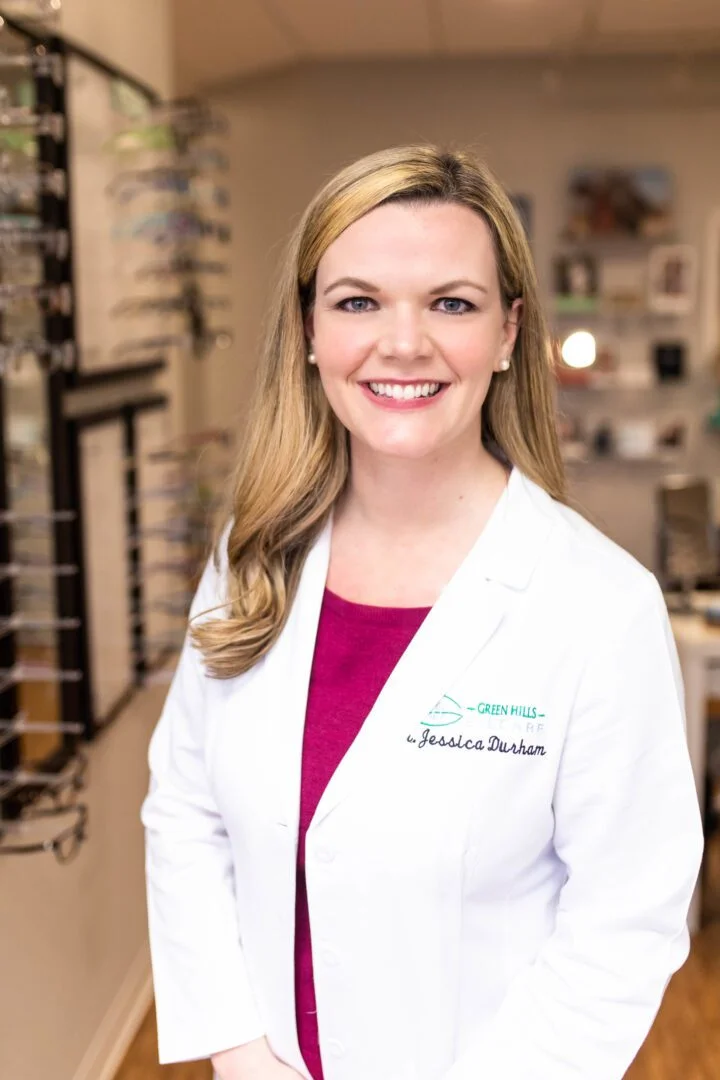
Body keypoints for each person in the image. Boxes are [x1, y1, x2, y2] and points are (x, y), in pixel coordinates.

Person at [141, 145, 704, 1080]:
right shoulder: (253, 551)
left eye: (451, 303)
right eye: (358, 300)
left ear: (510, 332)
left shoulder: (599, 607)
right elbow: (186, 810)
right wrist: (240, 1052)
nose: (403, 344)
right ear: (310, 330)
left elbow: (624, 921)